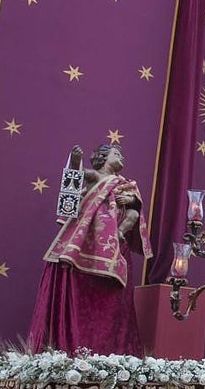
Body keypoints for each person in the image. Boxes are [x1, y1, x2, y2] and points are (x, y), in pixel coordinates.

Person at [27, 143, 152, 356]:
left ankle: (118, 233)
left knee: (132, 214)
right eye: (116, 154)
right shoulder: (97, 176)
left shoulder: (124, 183)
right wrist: (76, 161)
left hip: (116, 237)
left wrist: (130, 199)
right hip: (91, 231)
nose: (121, 157)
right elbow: (77, 175)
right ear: (102, 158)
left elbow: (135, 205)